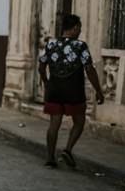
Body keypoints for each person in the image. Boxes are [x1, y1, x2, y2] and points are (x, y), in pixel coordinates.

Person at [38, 14, 104, 169]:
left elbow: (41, 67)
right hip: (73, 91)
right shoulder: (80, 46)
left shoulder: (51, 44)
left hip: (54, 89)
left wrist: (46, 82)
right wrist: (98, 91)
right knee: (79, 122)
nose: (80, 30)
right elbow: (89, 69)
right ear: (75, 27)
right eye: (79, 27)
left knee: (54, 123)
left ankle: (50, 159)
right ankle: (67, 149)